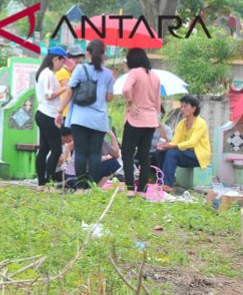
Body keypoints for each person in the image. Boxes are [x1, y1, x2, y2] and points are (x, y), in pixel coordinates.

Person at [57, 40, 115, 190]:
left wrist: (59, 111)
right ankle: (92, 188)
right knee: (95, 154)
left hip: (80, 118)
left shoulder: (80, 69)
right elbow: (109, 98)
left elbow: (69, 91)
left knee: (81, 153)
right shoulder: (108, 74)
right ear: (103, 55)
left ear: (88, 53)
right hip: (99, 120)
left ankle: (81, 189)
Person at [121, 48, 161, 196]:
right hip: (151, 120)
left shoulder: (134, 72)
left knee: (127, 153)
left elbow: (125, 89)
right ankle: (142, 191)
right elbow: (158, 102)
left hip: (136, 119)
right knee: (144, 155)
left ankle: (130, 189)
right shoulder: (155, 76)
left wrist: (130, 102)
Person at [156, 95, 211, 192]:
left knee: (172, 153)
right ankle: (161, 182)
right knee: (160, 152)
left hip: (198, 156)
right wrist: (165, 146)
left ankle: (167, 185)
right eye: (181, 106)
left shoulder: (201, 123)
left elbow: (192, 143)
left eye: (185, 106)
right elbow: (175, 142)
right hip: (185, 154)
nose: (182, 109)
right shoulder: (181, 124)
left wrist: (173, 146)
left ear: (194, 108)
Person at [34, 46, 69, 190]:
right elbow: (49, 95)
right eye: (62, 62)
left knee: (44, 149)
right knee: (56, 150)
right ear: (55, 59)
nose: (62, 65)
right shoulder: (48, 73)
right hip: (48, 115)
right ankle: (48, 181)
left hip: (43, 113)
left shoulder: (43, 73)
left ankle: (42, 183)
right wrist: (65, 88)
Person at [56, 44, 84, 122]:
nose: (78, 66)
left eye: (80, 63)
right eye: (76, 62)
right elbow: (71, 90)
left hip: (75, 113)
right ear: (67, 60)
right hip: (65, 113)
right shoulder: (62, 72)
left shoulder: (77, 74)